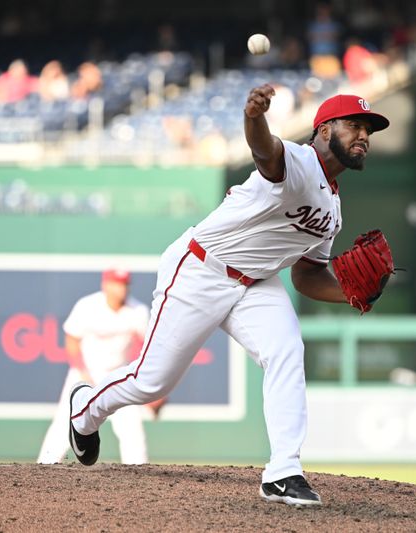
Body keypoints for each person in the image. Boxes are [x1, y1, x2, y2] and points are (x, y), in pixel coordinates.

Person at [67, 86, 389, 506]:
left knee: (287, 349)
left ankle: (283, 472)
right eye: (353, 125)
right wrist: (254, 117)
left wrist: (350, 291)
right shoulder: (298, 162)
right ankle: (85, 409)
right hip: (201, 268)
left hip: (255, 283)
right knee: (152, 380)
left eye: (368, 129)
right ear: (325, 129)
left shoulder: (333, 210)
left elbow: (307, 276)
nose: (363, 135)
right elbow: (265, 151)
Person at [37, 269, 157, 465]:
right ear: (106, 284)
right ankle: (44, 467)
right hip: (84, 374)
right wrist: (83, 372)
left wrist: (150, 384)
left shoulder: (137, 311)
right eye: (117, 283)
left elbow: (147, 346)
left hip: (119, 374)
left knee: (132, 429)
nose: (121, 288)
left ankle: (138, 473)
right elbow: (72, 340)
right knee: (64, 424)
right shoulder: (88, 306)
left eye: (125, 283)